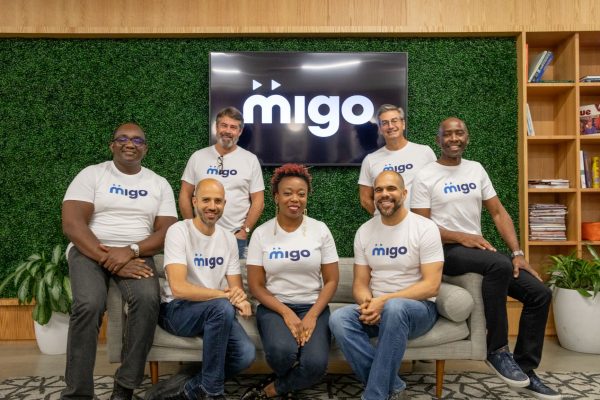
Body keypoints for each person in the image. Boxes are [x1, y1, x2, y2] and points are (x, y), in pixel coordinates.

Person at [411, 117, 561, 400]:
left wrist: (518, 253)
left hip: (476, 251)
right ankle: (497, 350)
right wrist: (460, 237)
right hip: (444, 252)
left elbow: (498, 213)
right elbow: (421, 226)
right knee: (498, 264)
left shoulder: (476, 169)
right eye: (447, 134)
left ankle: (525, 369)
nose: (454, 138)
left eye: (459, 133)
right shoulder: (425, 175)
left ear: (466, 137)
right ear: (438, 140)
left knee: (539, 294)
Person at [61, 123, 178, 400]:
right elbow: (72, 224)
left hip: (137, 254)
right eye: (123, 138)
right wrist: (110, 258)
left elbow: (167, 231)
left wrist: (131, 251)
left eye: (137, 140)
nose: (130, 144)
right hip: (90, 251)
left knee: (148, 300)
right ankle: (78, 393)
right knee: (88, 305)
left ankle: (125, 386)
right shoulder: (92, 174)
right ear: (112, 145)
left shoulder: (158, 183)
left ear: (145, 149)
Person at [329, 170, 443, 400]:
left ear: (404, 193)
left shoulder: (425, 228)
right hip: (380, 308)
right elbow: (360, 283)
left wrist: (383, 301)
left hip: (418, 309)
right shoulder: (365, 231)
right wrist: (368, 304)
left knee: (395, 307)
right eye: (378, 189)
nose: (384, 194)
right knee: (339, 319)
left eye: (391, 188)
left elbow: (431, 286)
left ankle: (375, 395)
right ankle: (394, 386)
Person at [241, 164, 339, 399]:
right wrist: (286, 313)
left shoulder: (320, 230)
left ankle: (274, 388)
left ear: (306, 198)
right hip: (274, 307)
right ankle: (290, 379)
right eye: (287, 193)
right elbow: (256, 285)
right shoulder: (262, 234)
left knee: (315, 365)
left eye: (301, 194)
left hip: (313, 306)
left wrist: (312, 315)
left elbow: (332, 280)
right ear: (276, 197)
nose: (295, 199)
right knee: (281, 354)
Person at [156, 178, 255, 400]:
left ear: (224, 204)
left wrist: (241, 299)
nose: (212, 206)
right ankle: (213, 393)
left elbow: (235, 288)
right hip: (177, 310)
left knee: (245, 355)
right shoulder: (178, 231)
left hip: (215, 312)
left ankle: (190, 391)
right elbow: (179, 288)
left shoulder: (228, 239)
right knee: (221, 306)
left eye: (218, 201)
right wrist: (224, 296)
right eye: (206, 200)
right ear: (194, 201)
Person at [179, 106, 265, 259]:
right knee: (199, 274)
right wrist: (191, 227)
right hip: (200, 235)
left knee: (236, 275)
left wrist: (245, 231)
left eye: (233, 127)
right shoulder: (198, 157)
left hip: (235, 237)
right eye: (224, 125)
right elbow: (185, 195)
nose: (228, 131)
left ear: (239, 131)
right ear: (216, 127)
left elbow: (258, 200)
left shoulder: (250, 160)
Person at [358, 104, 436, 215]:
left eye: (394, 121)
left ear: (403, 124)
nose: (390, 126)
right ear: (380, 129)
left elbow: (436, 188)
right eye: (385, 123)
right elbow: (365, 199)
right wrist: (382, 217)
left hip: (419, 222)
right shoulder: (370, 160)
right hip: (386, 224)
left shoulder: (425, 152)